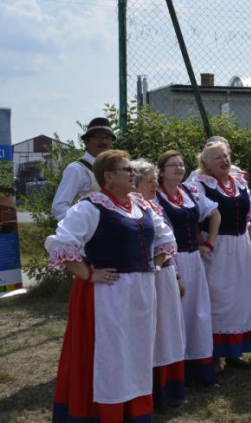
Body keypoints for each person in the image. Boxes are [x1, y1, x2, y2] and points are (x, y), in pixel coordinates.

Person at [45, 149, 176, 422]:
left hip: (141, 293)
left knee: (138, 351)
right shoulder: (91, 206)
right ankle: (106, 413)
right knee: (112, 355)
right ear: (108, 177)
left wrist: (158, 265)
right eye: (126, 170)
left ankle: (134, 411)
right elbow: (61, 242)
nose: (132, 174)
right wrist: (88, 274)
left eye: (131, 169)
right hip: (109, 294)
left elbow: (165, 239)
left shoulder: (142, 205)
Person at [189, 141, 251, 370]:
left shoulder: (238, 181)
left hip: (241, 245)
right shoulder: (198, 183)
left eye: (226, 156)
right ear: (206, 164)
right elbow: (193, 212)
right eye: (217, 157)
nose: (224, 161)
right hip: (217, 248)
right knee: (217, 296)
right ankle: (213, 354)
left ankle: (234, 352)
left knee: (240, 296)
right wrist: (203, 238)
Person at [157, 150, 221, 386]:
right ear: (161, 171)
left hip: (194, 258)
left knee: (197, 313)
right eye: (172, 165)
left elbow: (215, 214)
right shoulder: (154, 196)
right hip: (171, 261)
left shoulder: (190, 191)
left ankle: (200, 371)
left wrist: (209, 243)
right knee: (175, 315)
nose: (178, 168)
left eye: (181, 165)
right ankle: (175, 375)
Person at [132, 158, 187, 409]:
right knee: (149, 333)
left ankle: (167, 389)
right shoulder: (133, 210)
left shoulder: (155, 206)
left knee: (166, 331)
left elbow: (168, 245)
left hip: (162, 275)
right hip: (142, 278)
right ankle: (148, 390)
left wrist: (175, 276)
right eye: (150, 180)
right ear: (135, 183)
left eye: (155, 178)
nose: (156, 183)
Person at [51, 117, 115, 220]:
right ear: (86, 142)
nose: (104, 141)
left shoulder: (113, 169)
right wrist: (82, 226)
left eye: (107, 138)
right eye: (98, 137)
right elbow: (59, 207)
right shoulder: (76, 169)